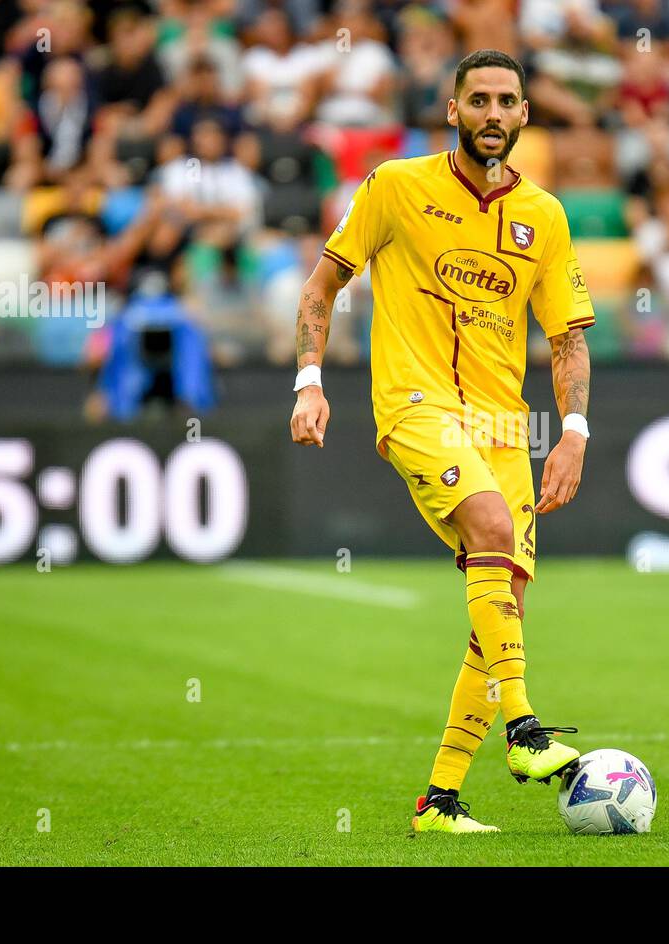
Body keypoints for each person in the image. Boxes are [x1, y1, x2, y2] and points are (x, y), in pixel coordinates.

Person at [288, 49, 593, 834]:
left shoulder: (547, 217)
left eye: (508, 102)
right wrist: (310, 379)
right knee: (491, 529)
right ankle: (526, 732)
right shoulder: (397, 186)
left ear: (526, 115)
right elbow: (325, 282)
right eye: (479, 100)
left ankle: (440, 800)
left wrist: (573, 435)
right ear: (452, 111)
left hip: (504, 426)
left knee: (504, 614)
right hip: (416, 405)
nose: (494, 114)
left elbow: (567, 341)